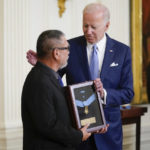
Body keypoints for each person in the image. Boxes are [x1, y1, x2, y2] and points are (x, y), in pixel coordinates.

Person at [26, 2, 134, 150]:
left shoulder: (122, 51)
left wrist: (104, 93)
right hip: (78, 132)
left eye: (93, 27)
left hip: (109, 134)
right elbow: (54, 78)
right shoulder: (69, 47)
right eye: (85, 25)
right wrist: (44, 63)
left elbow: (128, 93)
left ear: (107, 26)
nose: (88, 31)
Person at [21, 30, 92, 150]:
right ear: (56, 53)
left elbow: (60, 110)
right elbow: (47, 125)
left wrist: (93, 124)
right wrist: (78, 135)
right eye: (67, 48)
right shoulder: (39, 80)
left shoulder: (49, 76)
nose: (69, 52)